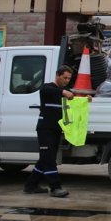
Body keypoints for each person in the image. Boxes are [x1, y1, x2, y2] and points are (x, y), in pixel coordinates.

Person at [23, 65, 74, 198]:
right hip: (45, 129)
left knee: (45, 158)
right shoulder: (48, 88)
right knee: (49, 159)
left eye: (69, 78)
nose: (66, 81)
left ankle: (30, 185)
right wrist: (63, 92)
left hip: (56, 129)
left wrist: (86, 98)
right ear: (57, 75)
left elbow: (73, 96)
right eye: (64, 78)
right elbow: (47, 90)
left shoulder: (63, 90)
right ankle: (55, 187)